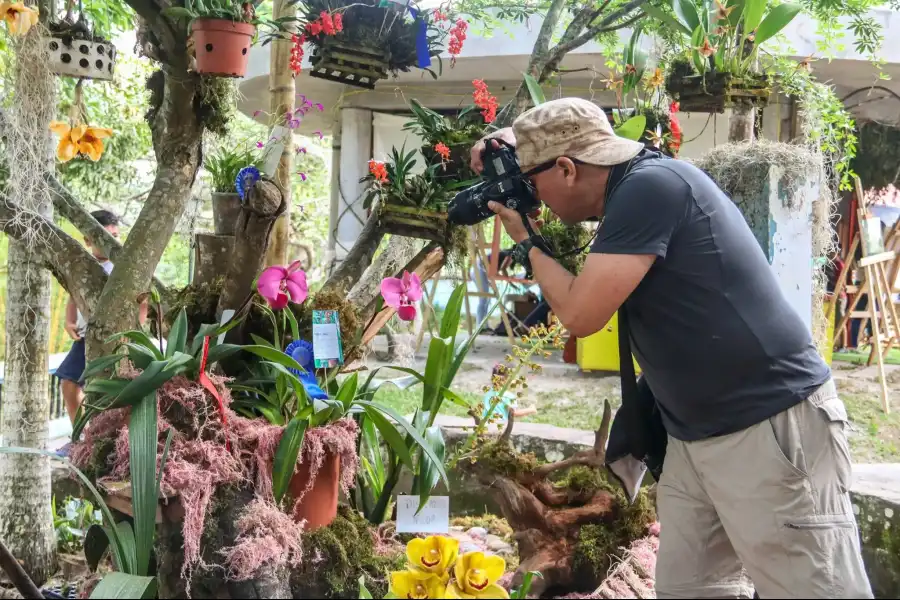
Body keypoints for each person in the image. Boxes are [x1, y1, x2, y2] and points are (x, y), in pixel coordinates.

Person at [469, 98, 871, 599]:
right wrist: (510, 142)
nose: (533, 199)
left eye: (533, 182)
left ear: (568, 169)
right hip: (695, 434)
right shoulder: (636, 187)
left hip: (768, 426)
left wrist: (525, 240)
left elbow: (580, 315)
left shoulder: (649, 189)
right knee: (695, 589)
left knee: (816, 589)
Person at [57, 210, 147, 440]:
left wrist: (133, 332)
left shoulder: (121, 267)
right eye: (104, 238)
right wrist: (69, 321)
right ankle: (81, 439)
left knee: (115, 391)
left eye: (115, 236)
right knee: (69, 384)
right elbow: (73, 294)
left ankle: (120, 443)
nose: (111, 243)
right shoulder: (82, 264)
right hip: (87, 337)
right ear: (88, 240)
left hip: (117, 339)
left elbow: (142, 300)